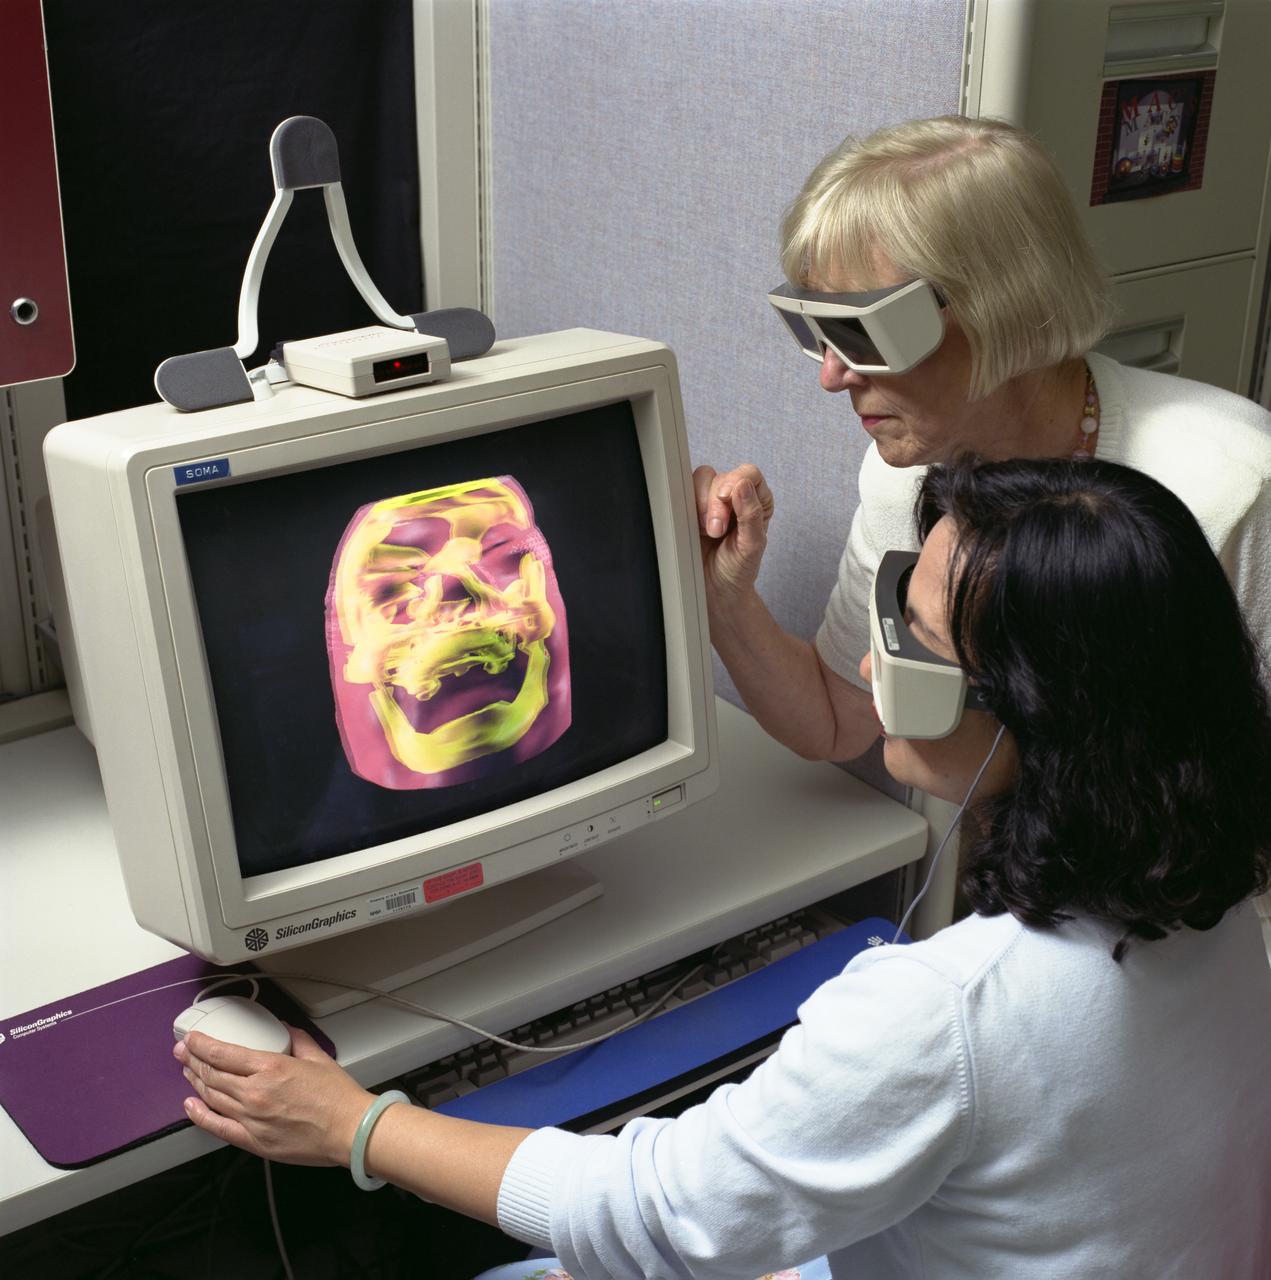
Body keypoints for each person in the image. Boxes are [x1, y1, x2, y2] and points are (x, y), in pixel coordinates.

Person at [176, 457, 1271, 1279]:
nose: (862, 655)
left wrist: (352, 1124)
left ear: (1023, 710)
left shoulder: (948, 1011)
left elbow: (650, 1215)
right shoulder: (1211, 890)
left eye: (911, 637)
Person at [696, 115, 1271, 768]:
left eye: (862, 333)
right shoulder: (908, 473)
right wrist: (723, 597)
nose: (831, 375)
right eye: (814, 331)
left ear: (1003, 302)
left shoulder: (1232, 489)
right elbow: (835, 718)